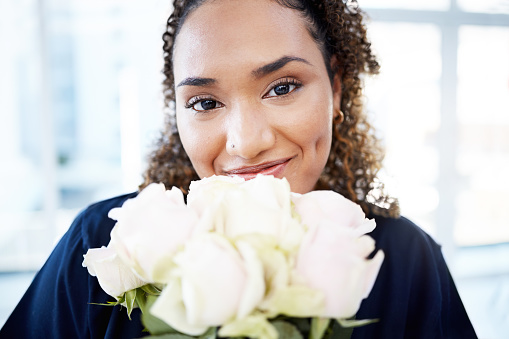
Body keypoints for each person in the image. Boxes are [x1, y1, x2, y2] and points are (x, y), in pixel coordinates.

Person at [1, 0, 477, 338]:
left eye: (282, 87)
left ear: (335, 87)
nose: (246, 142)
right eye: (205, 101)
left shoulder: (409, 262)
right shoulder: (105, 246)